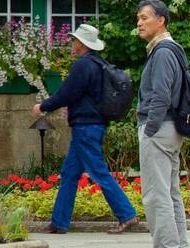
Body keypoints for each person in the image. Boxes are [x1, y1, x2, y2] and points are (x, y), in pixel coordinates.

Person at [33, 24, 138, 235]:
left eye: (74, 40)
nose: (72, 43)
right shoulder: (99, 64)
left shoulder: (83, 66)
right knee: (69, 173)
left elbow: (67, 94)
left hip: (86, 127)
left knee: (98, 172)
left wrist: (43, 106)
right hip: (92, 125)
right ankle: (59, 222)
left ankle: (127, 215)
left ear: (81, 43)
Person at [135, 0, 190, 248]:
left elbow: (161, 95)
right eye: (139, 18)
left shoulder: (163, 52)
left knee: (156, 192)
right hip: (169, 128)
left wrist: (151, 128)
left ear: (162, 21)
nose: (140, 22)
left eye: (145, 17)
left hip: (159, 128)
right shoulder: (172, 50)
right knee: (170, 192)